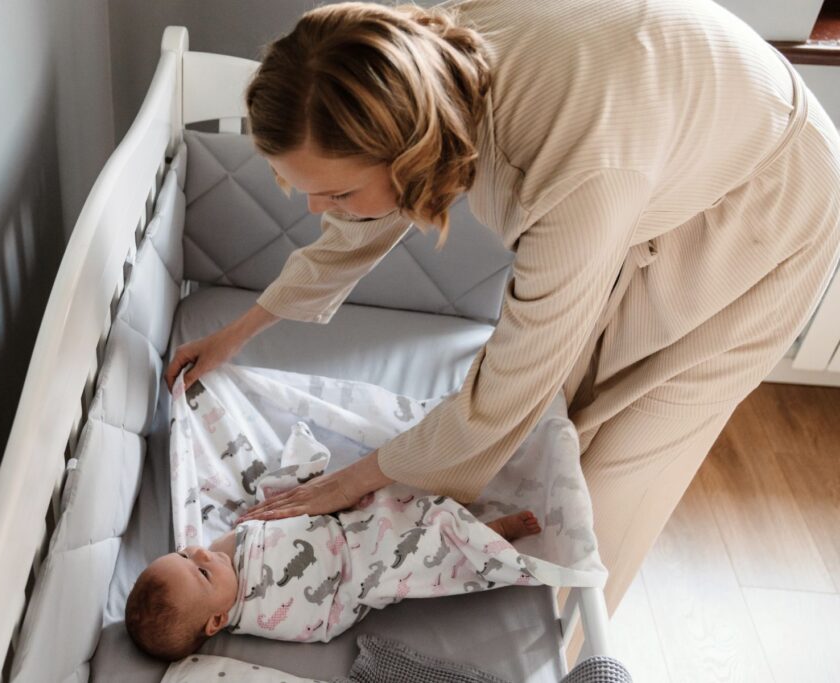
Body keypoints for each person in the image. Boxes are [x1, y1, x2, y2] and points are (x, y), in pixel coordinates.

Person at [162, 0, 840, 649]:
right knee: (558, 421)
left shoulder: (572, 167)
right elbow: (355, 223)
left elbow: (508, 385)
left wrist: (361, 476)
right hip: (661, 138)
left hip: (768, 205)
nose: (316, 208)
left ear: (407, 153)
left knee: (615, 468)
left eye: (334, 191)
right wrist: (239, 331)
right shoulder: (423, 66)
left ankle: (570, 655)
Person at [124, 487, 541, 661]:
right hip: (355, 572)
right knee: (420, 558)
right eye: (200, 571)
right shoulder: (260, 614)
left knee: (397, 498)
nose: (199, 550)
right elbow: (321, 621)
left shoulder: (223, 554)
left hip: (340, 526)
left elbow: (267, 524)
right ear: (216, 620)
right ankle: (492, 538)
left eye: (183, 552)